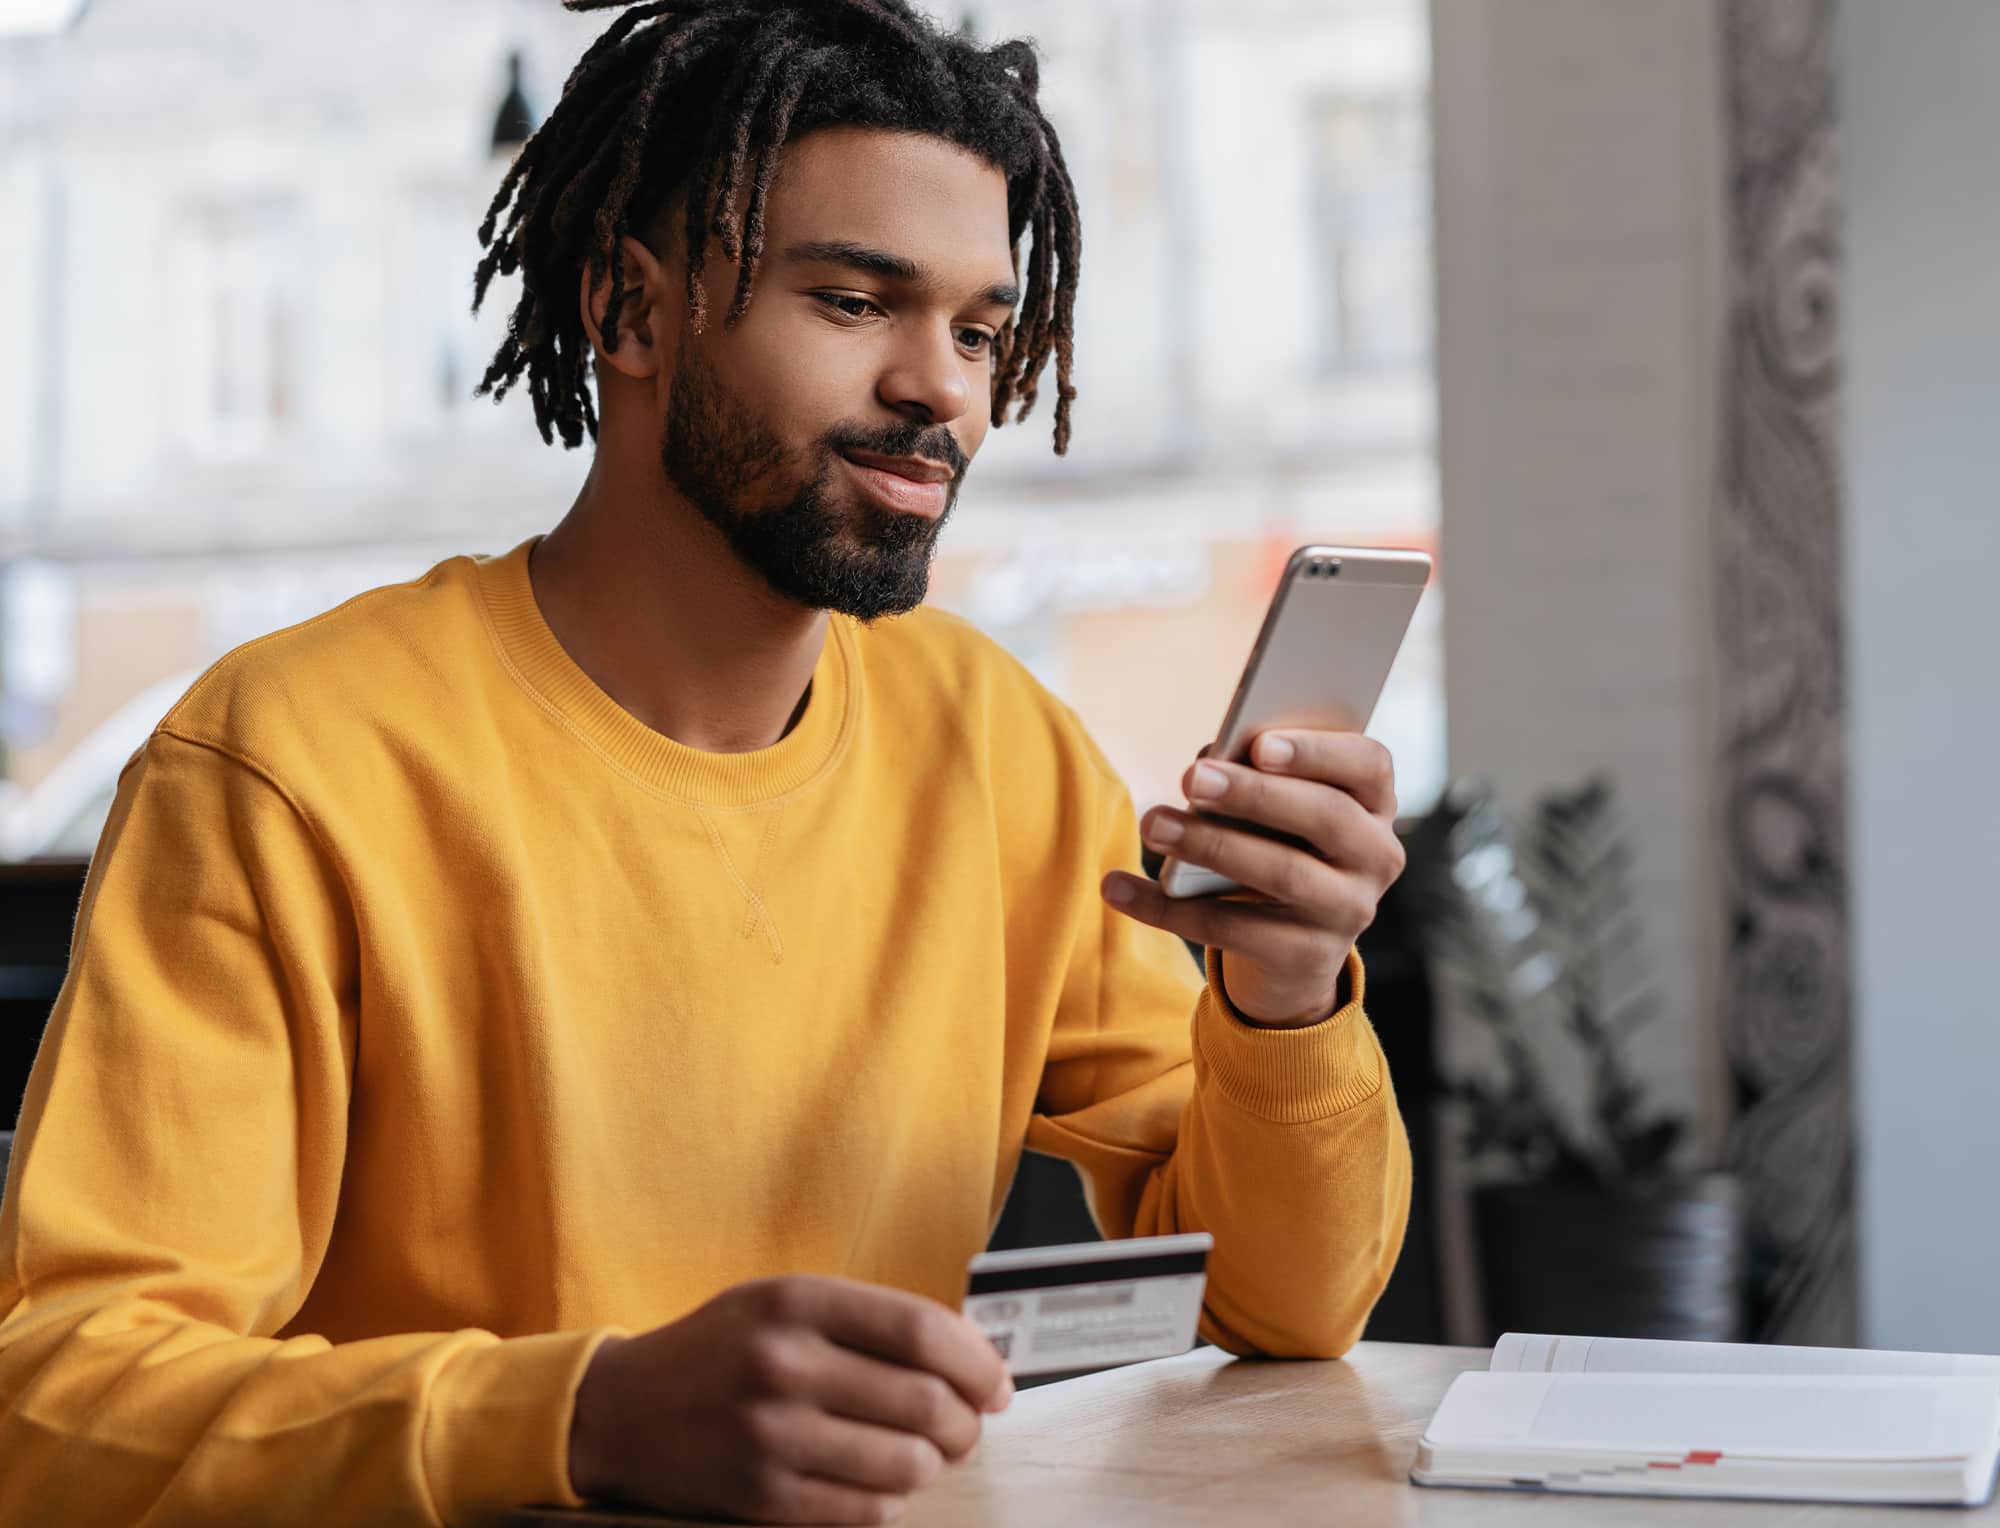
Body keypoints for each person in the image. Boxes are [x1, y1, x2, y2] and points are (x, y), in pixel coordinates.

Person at [0, 2, 1412, 1523]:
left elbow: (1285, 1305)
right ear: (631, 312)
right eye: (857, 301)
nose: (941, 389)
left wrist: (1284, 998)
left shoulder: (995, 745)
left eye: (982, 331)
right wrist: (585, 1415)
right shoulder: (288, 762)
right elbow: (59, 1405)